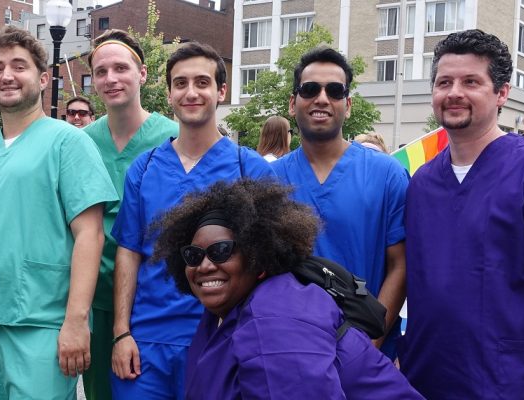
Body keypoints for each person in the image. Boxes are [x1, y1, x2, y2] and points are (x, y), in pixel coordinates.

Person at [399, 29, 524, 399]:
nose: (454, 92)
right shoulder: (422, 182)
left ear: (502, 93)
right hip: (426, 379)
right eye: (444, 82)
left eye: (471, 81)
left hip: (510, 382)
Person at [0, 26, 116, 400]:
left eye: (19, 65)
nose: (7, 75)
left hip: (41, 325)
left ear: (43, 78)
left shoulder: (68, 142)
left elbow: (90, 235)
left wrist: (76, 321)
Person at [150, 179, 422, 399]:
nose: (205, 265)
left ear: (257, 256)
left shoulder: (275, 316)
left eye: (221, 251)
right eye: (193, 255)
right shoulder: (222, 313)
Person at [110, 42, 275, 399]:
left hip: (222, 339)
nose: (191, 92)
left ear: (221, 91)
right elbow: (128, 251)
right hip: (146, 344)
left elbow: (270, 262)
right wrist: (121, 332)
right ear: (169, 93)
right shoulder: (145, 167)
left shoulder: (250, 169)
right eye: (180, 83)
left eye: (202, 82)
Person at [271, 46, 409, 359]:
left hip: (366, 355)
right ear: (293, 103)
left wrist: (368, 342)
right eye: (310, 89)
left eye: (334, 90)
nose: (322, 98)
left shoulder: (386, 174)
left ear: (347, 104)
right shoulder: (269, 180)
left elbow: (400, 265)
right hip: (291, 353)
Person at [82, 28, 179, 400]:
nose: (111, 79)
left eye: (120, 68)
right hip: (96, 296)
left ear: (142, 74)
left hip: (158, 297)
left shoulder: (173, 137)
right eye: (101, 71)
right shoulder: (80, 142)